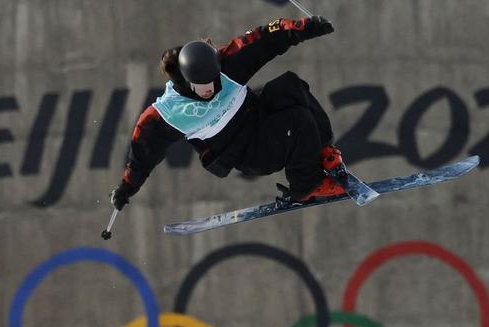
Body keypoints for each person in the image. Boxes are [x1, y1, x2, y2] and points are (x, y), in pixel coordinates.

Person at [110, 16, 346, 213]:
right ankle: (306, 187)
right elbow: (143, 151)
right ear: (187, 81)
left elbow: (265, 38)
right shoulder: (170, 113)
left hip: (258, 117)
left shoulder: (228, 65)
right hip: (249, 152)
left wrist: (303, 28)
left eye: (213, 79)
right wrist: (127, 187)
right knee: (298, 121)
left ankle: (324, 152)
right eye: (202, 85)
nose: (210, 89)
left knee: (291, 86)